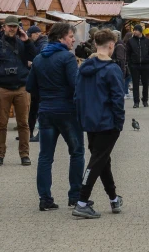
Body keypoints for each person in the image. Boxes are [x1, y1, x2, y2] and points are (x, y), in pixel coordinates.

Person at [26, 21, 83, 211]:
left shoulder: (39, 58)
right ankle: (75, 196)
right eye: (71, 36)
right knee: (76, 152)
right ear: (60, 38)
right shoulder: (67, 57)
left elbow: (30, 86)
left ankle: (45, 199)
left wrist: (45, 95)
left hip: (46, 111)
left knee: (45, 156)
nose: (73, 40)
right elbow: (76, 85)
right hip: (67, 111)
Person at [72, 30, 126, 219]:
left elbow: (77, 95)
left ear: (95, 44)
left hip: (90, 120)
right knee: (97, 161)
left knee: (102, 159)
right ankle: (81, 201)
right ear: (111, 45)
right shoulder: (112, 69)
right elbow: (118, 98)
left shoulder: (83, 67)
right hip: (107, 121)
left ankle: (113, 198)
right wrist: (119, 121)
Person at [0, 15, 36, 166]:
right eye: (10, 26)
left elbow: (35, 57)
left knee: (23, 124)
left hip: (21, 88)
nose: (12, 29)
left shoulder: (22, 43)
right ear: (4, 27)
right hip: (2, 88)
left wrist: (27, 41)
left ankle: (24, 155)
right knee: (1, 124)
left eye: (15, 26)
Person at [25, 25, 47, 142]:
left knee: (37, 108)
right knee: (34, 108)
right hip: (37, 80)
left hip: (40, 81)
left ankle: (39, 133)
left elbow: (42, 62)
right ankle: (29, 133)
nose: (29, 37)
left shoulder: (43, 45)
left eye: (30, 35)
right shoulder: (39, 43)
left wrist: (32, 64)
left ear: (36, 34)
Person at [126, 24, 149, 109]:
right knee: (135, 84)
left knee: (145, 84)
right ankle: (136, 101)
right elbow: (128, 53)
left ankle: (145, 100)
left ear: (140, 31)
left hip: (145, 65)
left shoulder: (147, 41)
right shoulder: (130, 41)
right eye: (134, 30)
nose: (134, 31)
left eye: (136, 30)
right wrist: (130, 64)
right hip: (135, 65)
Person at [114, 30, 130, 99]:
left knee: (120, 82)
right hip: (119, 67)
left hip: (118, 67)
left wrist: (122, 70)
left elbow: (121, 59)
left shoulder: (119, 45)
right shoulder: (119, 44)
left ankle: (123, 93)